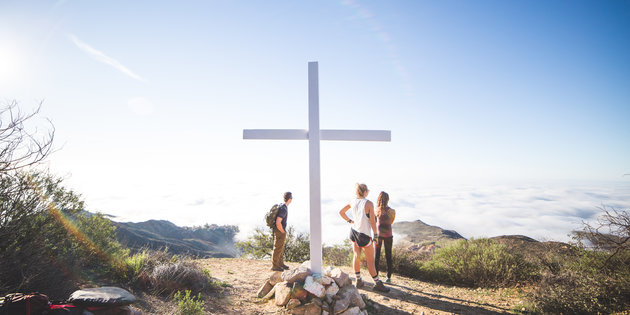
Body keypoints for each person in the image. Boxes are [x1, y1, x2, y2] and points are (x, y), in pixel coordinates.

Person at [339, 183, 390, 292]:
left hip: (353, 232)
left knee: (356, 256)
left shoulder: (352, 201)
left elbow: (341, 212)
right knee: (370, 261)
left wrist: (350, 221)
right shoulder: (369, 204)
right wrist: (375, 236)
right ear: (365, 192)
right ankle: (377, 283)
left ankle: (358, 280)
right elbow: (372, 221)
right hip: (364, 235)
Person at [375, 191, 396, 283]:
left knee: (377, 256)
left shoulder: (376, 210)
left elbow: (374, 221)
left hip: (378, 235)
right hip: (388, 235)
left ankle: (376, 276)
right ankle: (388, 277)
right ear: (388, 200)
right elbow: (391, 222)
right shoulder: (392, 211)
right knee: (388, 255)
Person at [271, 192, 292, 271]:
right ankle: (275, 265)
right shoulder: (283, 209)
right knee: (278, 247)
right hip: (280, 230)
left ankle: (280, 263)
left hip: (279, 230)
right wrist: (283, 231)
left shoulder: (282, 207)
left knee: (281, 247)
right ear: (290, 199)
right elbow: (278, 222)